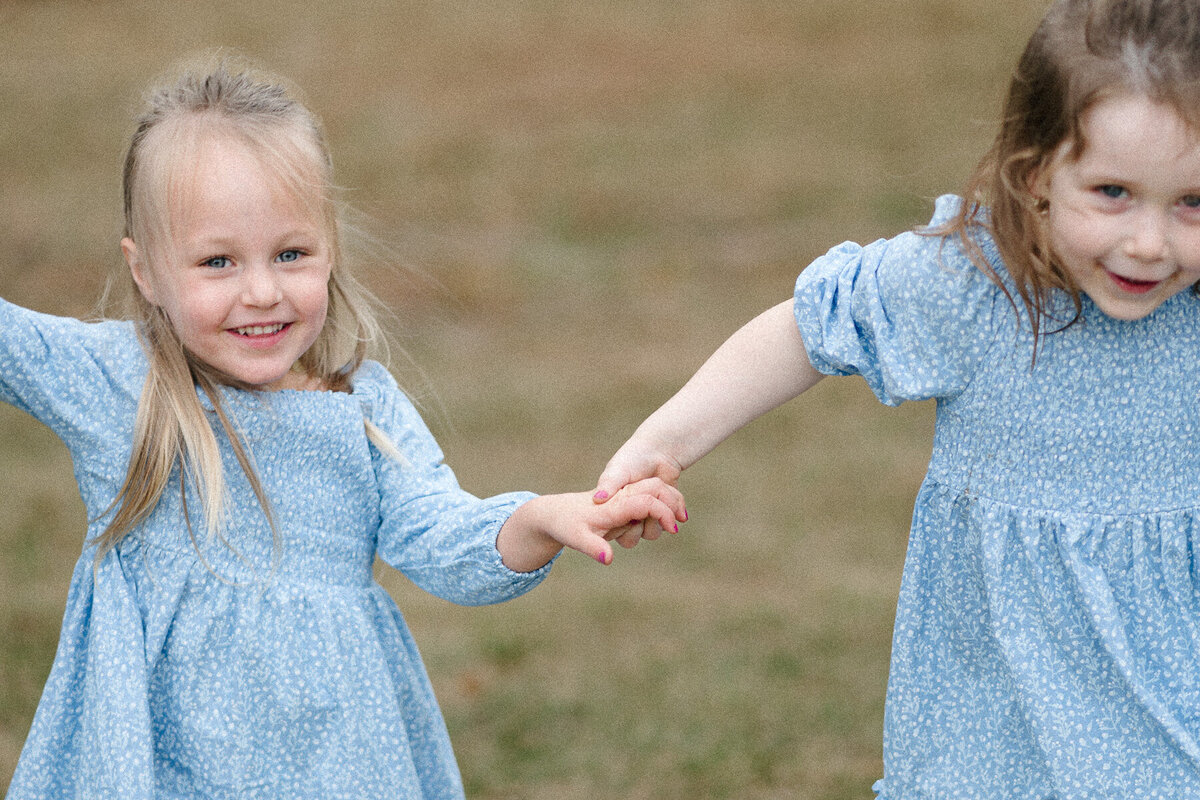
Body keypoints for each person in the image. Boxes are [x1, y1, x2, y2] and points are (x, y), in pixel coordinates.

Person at [2, 58, 685, 799]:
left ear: (329, 248)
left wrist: (546, 518)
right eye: (217, 261)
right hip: (165, 768)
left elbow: (443, 536)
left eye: (291, 254)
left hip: (335, 757)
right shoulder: (118, 385)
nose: (261, 291)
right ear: (147, 272)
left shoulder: (361, 409)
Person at [593, 0, 1200, 795]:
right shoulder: (975, 287)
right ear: (1036, 174)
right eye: (1113, 192)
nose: (1150, 242)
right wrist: (662, 444)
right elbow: (805, 333)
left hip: (1170, 715)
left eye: (1193, 202)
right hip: (991, 727)